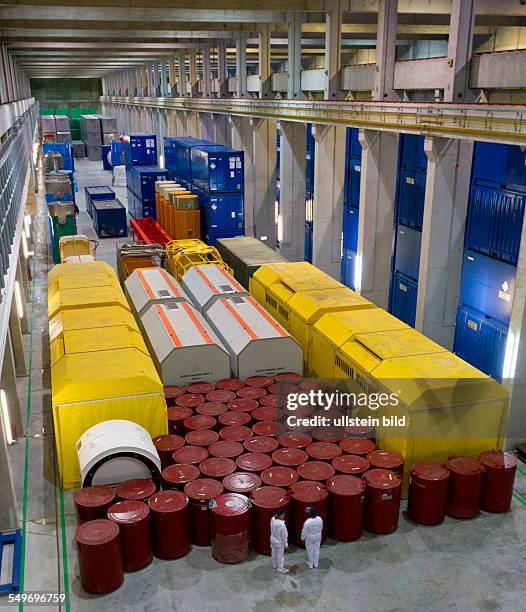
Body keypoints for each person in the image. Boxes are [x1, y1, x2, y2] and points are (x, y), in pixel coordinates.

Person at [270, 508, 289, 574]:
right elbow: (284, 536)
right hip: (279, 543)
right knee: (280, 556)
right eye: (283, 514)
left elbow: (271, 528)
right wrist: (285, 545)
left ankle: (274, 565)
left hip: (273, 540)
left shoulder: (272, 519)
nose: (284, 515)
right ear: (281, 515)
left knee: (273, 553)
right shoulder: (282, 525)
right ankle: (280, 568)